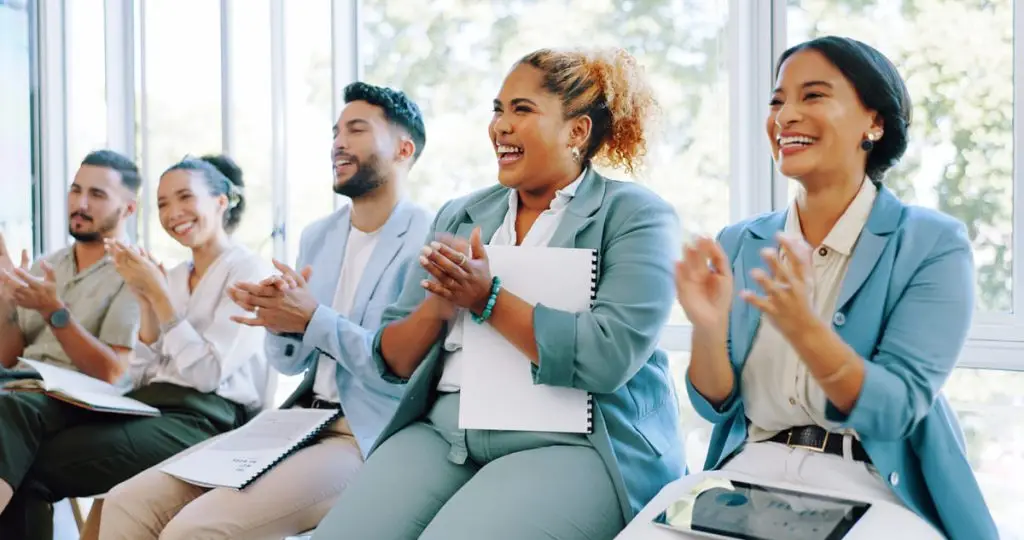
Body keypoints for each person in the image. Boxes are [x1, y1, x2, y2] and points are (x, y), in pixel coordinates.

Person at [311, 48, 683, 540]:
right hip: (446, 431)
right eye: (498, 109)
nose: (500, 126)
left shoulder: (637, 216)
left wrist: (488, 299)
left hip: (573, 443)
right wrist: (440, 305)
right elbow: (395, 363)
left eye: (522, 110)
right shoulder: (459, 216)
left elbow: (608, 357)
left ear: (577, 132)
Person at [673, 36, 997, 539]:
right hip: (748, 476)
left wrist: (805, 329)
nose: (785, 116)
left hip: (869, 483)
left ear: (874, 123)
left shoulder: (931, 243)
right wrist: (707, 327)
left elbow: (895, 409)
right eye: (777, 101)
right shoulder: (741, 242)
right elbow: (714, 402)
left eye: (813, 95)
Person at [97, 82, 433, 540]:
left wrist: (311, 318)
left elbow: (394, 369)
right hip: (300, 419)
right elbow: (290, 362)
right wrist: (278, 318)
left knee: (194, 530)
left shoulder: (427, 237)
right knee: (127, 503)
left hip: (365, 432)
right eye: (335, 131)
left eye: (356, 129)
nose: (337, 142)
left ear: (403, 148)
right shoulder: (320, 234)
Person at [0, 154, 275, 540]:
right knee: (18, 457)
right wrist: (148, 302)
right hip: (151, 406)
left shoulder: (250, 270)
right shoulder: (176, 276)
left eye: (184, 197)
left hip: (210, 419)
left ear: (220, 201)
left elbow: (207, 374)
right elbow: (142, 372)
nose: (173, 212)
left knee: (28, 463)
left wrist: (158, 297)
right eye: (163, 203)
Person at [0, 149, 143, 535]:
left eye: (97, 195)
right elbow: (8, 355)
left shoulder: (135, 273)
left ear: (128, 209)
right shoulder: (50, 263)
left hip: (81, 398)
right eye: (75, 190)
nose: (79, 203)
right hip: (23, 385)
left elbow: (112, 372)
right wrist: (4, 301)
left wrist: (54, 312)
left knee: (8, 409)